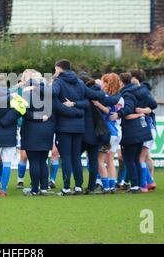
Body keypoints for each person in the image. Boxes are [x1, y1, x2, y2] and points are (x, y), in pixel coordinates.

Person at [52, 60, 119, 196]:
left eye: (55, 69)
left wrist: (37, 87)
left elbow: (54, 99)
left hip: (64, 127)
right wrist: (114, 97)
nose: (55, 72)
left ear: (59, 69)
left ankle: (66, 188)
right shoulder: (80, 83)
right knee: (77, 158)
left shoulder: (58, 82)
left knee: (66, 158)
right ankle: (78, 186)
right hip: (79, 128)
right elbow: (95, 96)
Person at [113, 72, 153, 193]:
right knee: (136, 159)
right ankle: (140, 185)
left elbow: (128, 108)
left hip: (131, 131)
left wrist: (119, 114)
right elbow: (153, 105)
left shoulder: (127, 93)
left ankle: (135, 185)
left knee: (129, 160)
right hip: (142, 129)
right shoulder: (140, 91)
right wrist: (143, 112)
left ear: (121, 82)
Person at [94, 73, 124, 194]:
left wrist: (97, 104)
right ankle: (112, 185)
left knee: (99, 160)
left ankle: (106, 186)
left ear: (107, 83)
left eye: (103, 82)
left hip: (108, 131)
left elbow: (106, 111)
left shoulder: (105, 96)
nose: (101, 84)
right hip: (117, 131)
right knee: (110, 160)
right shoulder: (119, 97)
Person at [130, 69, 158, 192]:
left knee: (141, 158)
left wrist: (141, 110)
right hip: (149, 128)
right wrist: (146, 110)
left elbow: (153, 105)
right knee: (145, 157)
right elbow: (152, 106)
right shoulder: (144, 91)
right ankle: (150, 181)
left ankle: (144, 185)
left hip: (145, 128)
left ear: (135, 78)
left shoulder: (140, 91)